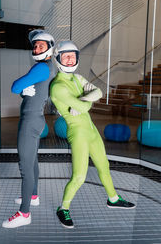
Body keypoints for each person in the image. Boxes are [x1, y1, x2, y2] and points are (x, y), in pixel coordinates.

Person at [50, 40, 135, 229]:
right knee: (79, 176)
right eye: (66, 56)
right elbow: (84, 106)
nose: (70, 60)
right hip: (78, 133)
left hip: (91, 130)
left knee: (104, 166)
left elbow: (99, 91)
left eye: (73, 56)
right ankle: (63, 208)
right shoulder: (57, 86)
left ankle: (113, 199)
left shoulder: (77, 78)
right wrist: (86, 101)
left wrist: (83, 100)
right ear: (58, 59)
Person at [2, 30, 56, 228]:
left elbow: (15, 87)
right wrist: (26, 93)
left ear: (50, 48)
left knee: (25, 168)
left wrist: (22, 90)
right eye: (34, 46)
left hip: (30, 121)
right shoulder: (47, 67)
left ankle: (25, 213)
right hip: (35, 118)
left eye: (40, 45)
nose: (36, 48)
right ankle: (33, 196)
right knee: (32, 161)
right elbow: (30, 91)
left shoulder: (41, 68)